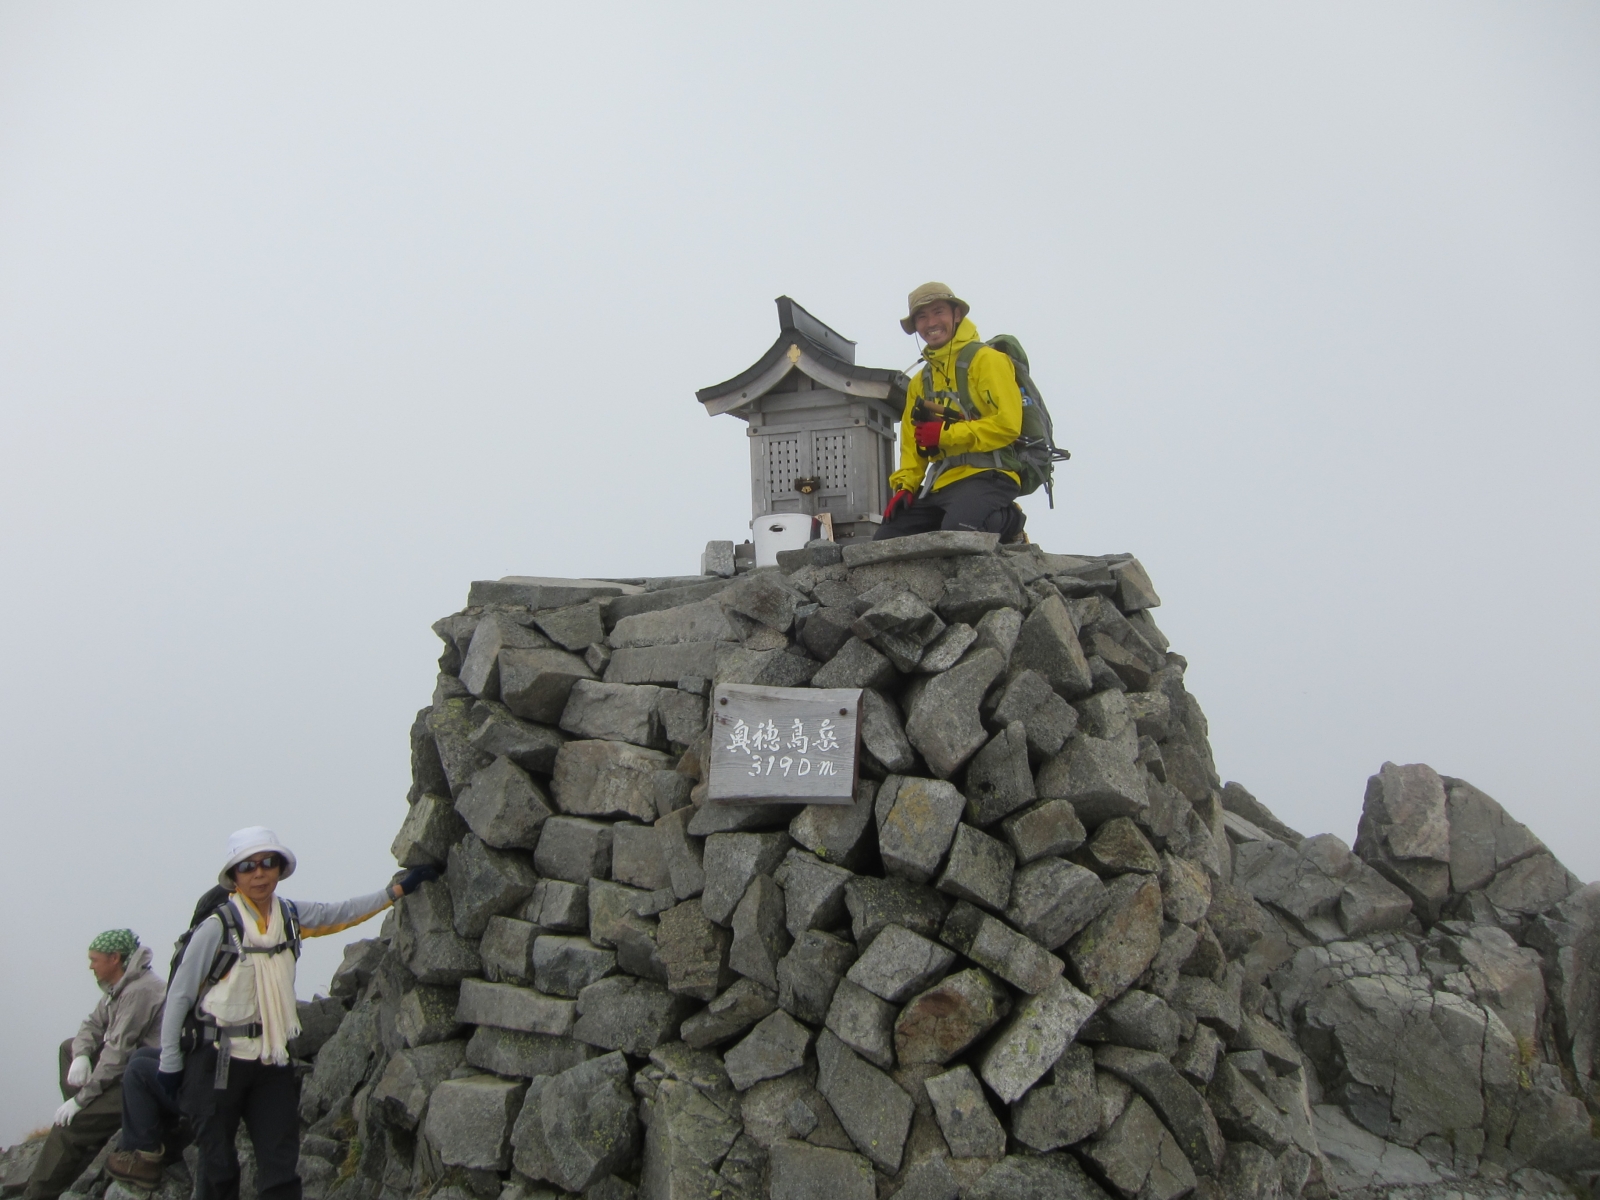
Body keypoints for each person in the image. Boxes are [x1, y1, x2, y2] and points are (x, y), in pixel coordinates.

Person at [106, 827, 436, 1200]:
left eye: (268, 863)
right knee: (218, 1167)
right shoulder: (217, 928)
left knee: (280, 1166)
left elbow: (342, 912)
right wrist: (169, 1061)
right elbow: (180, 995)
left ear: (279, 869)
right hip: (216, 1060)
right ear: (234, 877)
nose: (259, 873)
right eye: (247, 866)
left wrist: (397, 891)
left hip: (271, 1058)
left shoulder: (291, 916)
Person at [877, 282, 1028, 543]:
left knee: (959, 533)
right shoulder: (919, 382)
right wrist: (906, 486)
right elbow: (912, 443)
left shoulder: (987, 360)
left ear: (956, 315)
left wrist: (944, 435)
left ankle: (1010, 520)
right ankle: (963, 518)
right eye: (921, 317)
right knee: (885, 541)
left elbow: (1008, 425)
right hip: (943, 484)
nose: (930, 322)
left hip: (991, 475)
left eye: (938, 312)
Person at [22, 930, 166, 1200]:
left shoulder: (140, 991)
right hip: (124, 1069)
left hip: (140, 1082)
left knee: (68, 1128)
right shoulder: (121, 985)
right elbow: (91, 1024)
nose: (90, 965)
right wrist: (81, 1055)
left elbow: (117, 1056)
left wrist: (80, 1102)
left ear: (114, 958)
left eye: (94, 959)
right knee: (69, 1047)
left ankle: (37, 1193)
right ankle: (91, 1129)